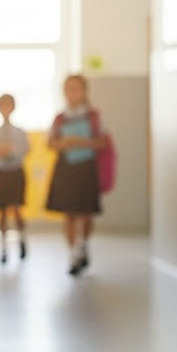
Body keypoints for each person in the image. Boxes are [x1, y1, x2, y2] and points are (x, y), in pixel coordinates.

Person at [46, 74, 107, 275]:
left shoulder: (93, 116)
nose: (72, 93)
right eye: (69, 89)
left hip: (86, 167)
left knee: (86, 213)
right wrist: (63, 144)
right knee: (69, 213)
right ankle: (73, 254)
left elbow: (103, 142)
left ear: (84, 91)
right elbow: (50, 142)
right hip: (66, 168)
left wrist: (82, 142)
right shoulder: (60, 118)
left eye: (76, 88)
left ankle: (83, 244)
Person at [0, 94, 30, 264]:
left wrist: (11, 150)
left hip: (15, 171)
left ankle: (22, 240)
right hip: (1, 173)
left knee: (17, 208)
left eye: (8, 105)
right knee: (2, 211)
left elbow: (26, 149)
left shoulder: (19, 132)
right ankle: (4, 247)